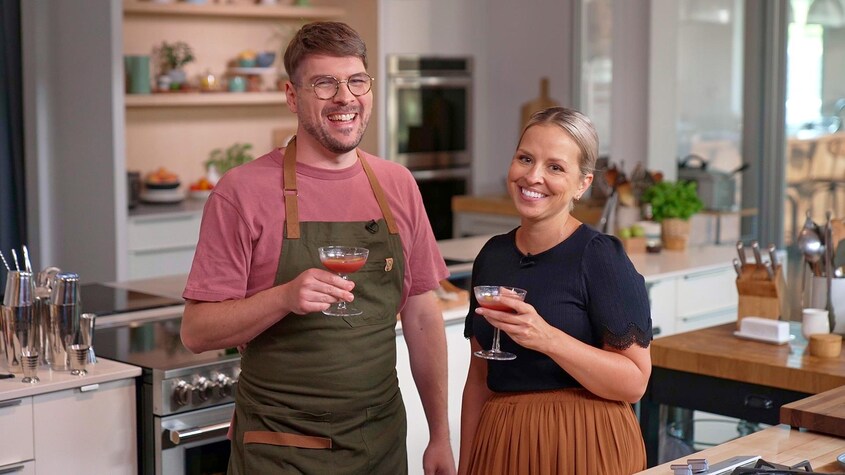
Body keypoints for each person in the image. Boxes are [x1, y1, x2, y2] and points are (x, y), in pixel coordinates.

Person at [180, 21, 456, 475]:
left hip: (380, 444)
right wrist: (285, 297)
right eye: (325, 83)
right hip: (280, 446)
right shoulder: (241, 191)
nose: (345, 97)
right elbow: (196, 331)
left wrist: (440, 434)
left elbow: (422, 316)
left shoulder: (398, 184)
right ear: (292, 96)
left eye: (356, 81)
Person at [458, 107, 652, 475]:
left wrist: (548, 339)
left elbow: (635, 383)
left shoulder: (600, 257)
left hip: (585, 444)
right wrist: (465, 467)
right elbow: (479, 380)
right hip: (500, 444)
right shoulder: (492, 256)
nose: (533, 176)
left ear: (582, 184)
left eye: (555, 167)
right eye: (525, 159)